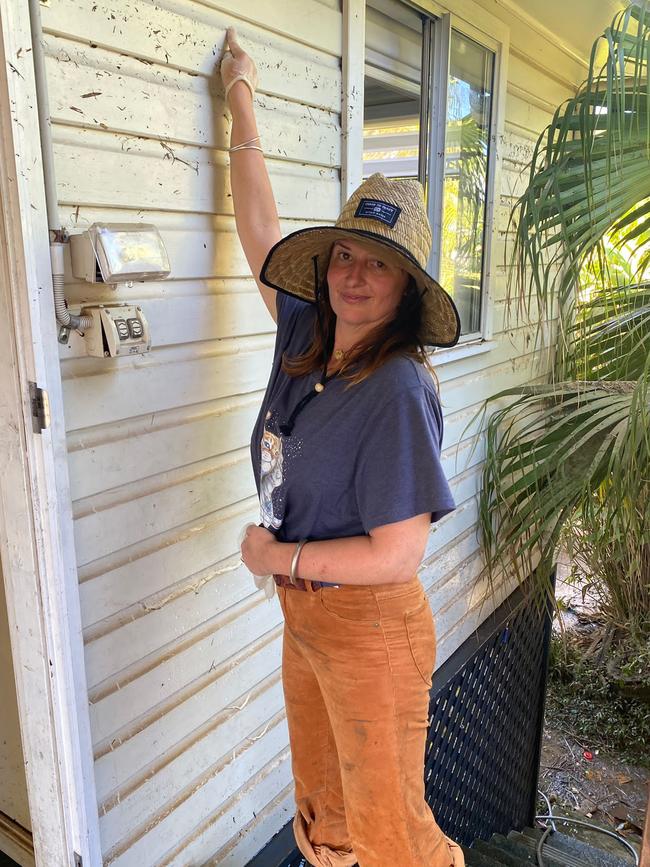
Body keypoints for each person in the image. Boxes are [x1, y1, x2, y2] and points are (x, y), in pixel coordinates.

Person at [221, 26, 465, 867]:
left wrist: (274, 559)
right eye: (345, 256)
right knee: (326, 816)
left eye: (380, 266)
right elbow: (258, 223)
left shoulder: (397, 388)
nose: (354, 275)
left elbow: (399, 553)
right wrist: (238, 95)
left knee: (393, 836)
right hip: (308, 616)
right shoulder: (306, 333)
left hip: (369, 626)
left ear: (406, 290)